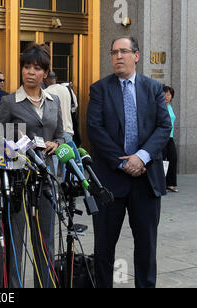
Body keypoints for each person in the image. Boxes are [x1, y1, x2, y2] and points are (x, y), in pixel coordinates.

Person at [87, 36, 171, 288]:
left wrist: (141, 157)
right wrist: (123, 162)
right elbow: (95, 129)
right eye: (114, 52)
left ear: (136, 55)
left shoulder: (153, 88)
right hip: (110, 182)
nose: (118, 57)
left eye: (123, 51)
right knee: (104, 247)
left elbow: (163, 127)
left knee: (146, 247)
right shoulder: (100, 88)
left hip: (146, 180)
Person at [0, 43, 65, 288]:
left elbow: (62, 134)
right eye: (26, 67)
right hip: (16, 179)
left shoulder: (54, 101)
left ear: (45, 73)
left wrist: (56, 143)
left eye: (36, 68)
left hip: (46, 180)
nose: (30, 72)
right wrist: (13, 147)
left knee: (44, 240)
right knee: (14, 240)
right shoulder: (9, 102)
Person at [44, 71, 83, 178]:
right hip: (68, 130)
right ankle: (69, 190)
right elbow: (74, 107)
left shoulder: (45, 92)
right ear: (55, 78)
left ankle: (55, 189)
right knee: (69, 164)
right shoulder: (68, 90)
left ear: (45, 79)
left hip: (54, 134)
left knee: (54, 166)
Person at [162, 85, 179, 193]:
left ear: (171, 96)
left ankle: (170, 184)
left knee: (173, 159)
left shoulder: (170, 107)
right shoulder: (160, 107)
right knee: (162, 161)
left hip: (170, 137)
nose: (166, 96)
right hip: (162, 138)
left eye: (168, 94)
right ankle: (161, 184)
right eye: (164, 94)